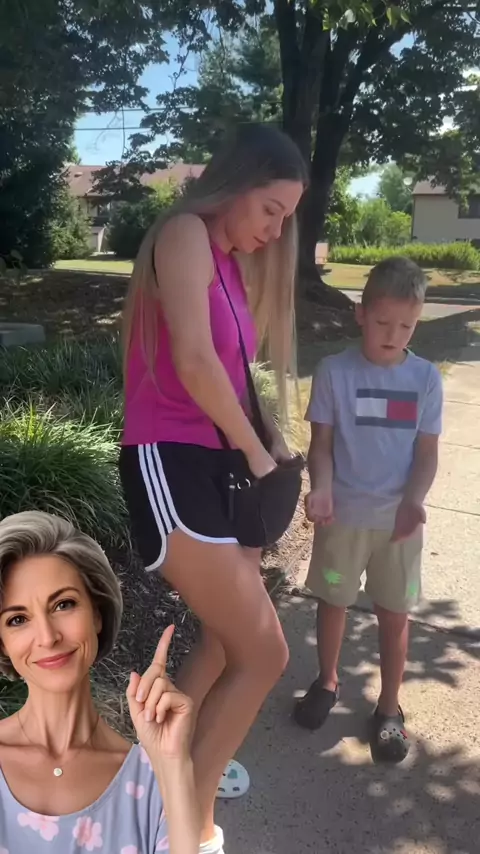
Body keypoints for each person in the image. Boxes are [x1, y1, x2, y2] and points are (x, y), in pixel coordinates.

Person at [119, 122, 308, 852]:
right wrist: (257, 454)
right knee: (266, 655)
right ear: (236, 184)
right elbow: (195, 363)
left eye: (287, 218)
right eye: (270, 209)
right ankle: (187, 827)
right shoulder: (185, 235)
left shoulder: (228, 264)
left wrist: (270, 443)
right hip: (172, 465)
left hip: (218, 469)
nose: (276, 229)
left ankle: (155, 776)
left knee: (230, 647)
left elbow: (230, 375)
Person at [294, 256, 443, 763]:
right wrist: (321, 488)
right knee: (333, 600)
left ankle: (389, 707)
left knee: (394, 613)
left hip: (398, 526)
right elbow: (321, 446)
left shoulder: (425, 379)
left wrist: (414, 501)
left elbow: (427, 454)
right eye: (383, 322)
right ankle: (327, 681)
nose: (393, 335)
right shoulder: (334, 373)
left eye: (406, 326)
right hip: (343, 520)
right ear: (360, 313)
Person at [0, 510, 200, 853]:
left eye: (63, 604)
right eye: (17, 619)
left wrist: (173, 765)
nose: (47, 637)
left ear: (97, 613)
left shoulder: (155, 780)